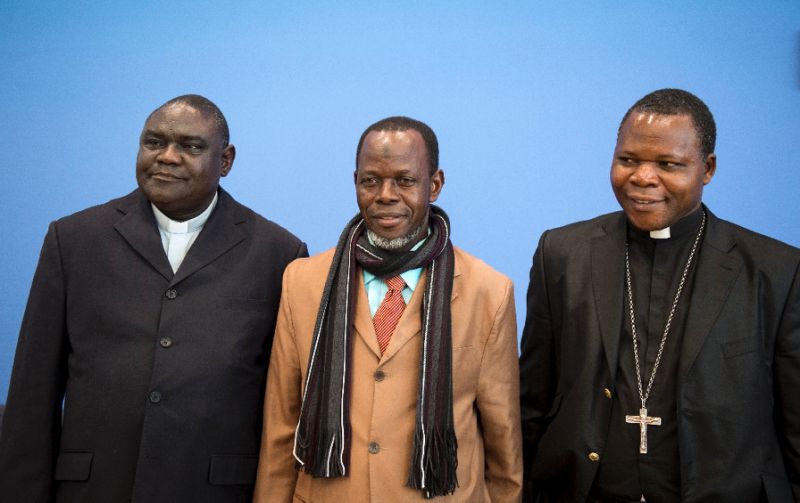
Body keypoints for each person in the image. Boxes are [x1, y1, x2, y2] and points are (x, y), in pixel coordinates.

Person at [0, 95, 308, 502]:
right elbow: (31, 394)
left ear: (226, 160)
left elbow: (283, 407)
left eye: (190, 146)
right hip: (92, 489)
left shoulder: (279, 253)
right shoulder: (74, 240)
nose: (167, 156)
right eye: (153, 142)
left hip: (213, 491)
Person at [519, 88, 800, 502]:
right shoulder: (562, 253)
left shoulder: (775, 270)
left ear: (707, 169)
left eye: (669, 164)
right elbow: (532, 400)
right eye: (628, 160)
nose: (643, 178)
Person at [253, 116, 522, 502]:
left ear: (435, 185)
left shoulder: (489, 292)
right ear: (355, 182)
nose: (385, 195)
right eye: (371, 180)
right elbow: (281, 428)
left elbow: (504, 444)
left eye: (405, 181)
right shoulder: (303, 282)